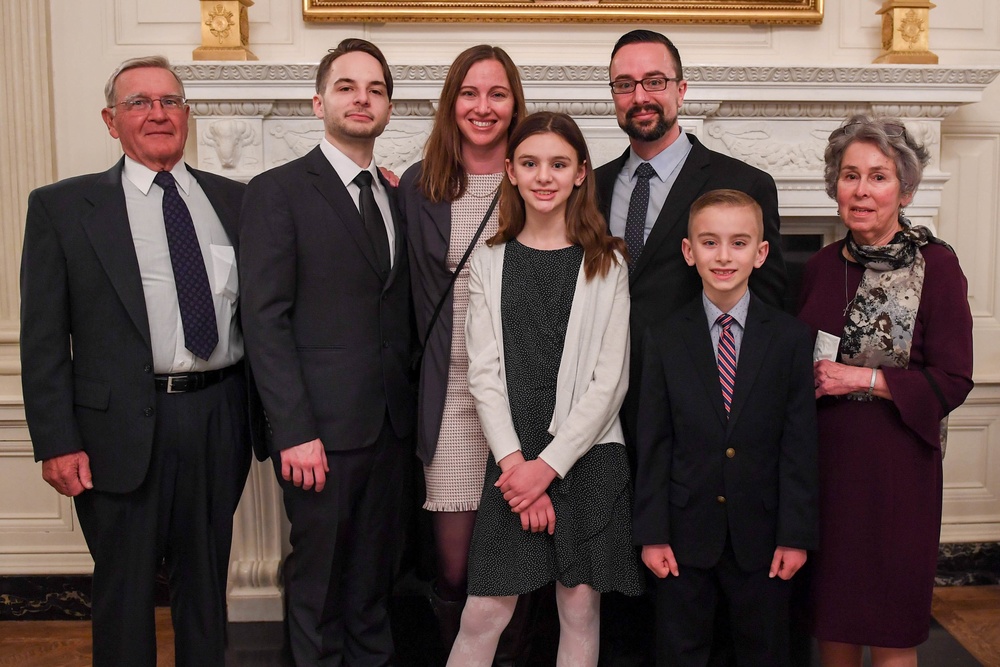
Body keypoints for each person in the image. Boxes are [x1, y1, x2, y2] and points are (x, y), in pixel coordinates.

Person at [20, 56, 255, 666]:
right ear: (110, 120)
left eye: (170, 102)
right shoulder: (63, 209)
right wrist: (55, 441)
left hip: (219, 417)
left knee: (206, 587)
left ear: (187, 114)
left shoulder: (238, 202)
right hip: (115, 428)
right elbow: (43, 339)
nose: (158, 114)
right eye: (139, 103)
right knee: (123, 593)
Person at [594, 29, 789, 664]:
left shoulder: (743, 183)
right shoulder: (587, 189)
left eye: (654, 81)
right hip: (604, 414)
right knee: (622, 584)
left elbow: (773, 304)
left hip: (702, 425)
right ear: (614, 98)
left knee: (702, 600)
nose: (640, 95)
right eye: (625, 84)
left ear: (681, 89)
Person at [239, 39, 415, 665]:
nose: (361, 98)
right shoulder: (277, 191)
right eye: (346, 87)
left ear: (389, 107)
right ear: (319, 102)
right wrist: (293, 430)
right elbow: (264, 320)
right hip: (320, 434)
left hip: (392, 429)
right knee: (318, 584)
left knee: (374, 583)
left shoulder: (398, 195)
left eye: (374, 89)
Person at [447, 111, 643, 666]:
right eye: (530, 164)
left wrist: (548, 467)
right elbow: (482, 371)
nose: (544, 176)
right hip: (513, 459)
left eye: (559, 164)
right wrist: (518, 469)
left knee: (579, 609)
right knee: (483, 613)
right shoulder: (489, 259)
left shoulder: (608, 261)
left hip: (585, 457)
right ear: (510, 171)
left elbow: (610, 382)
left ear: (581, 173)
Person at [798, 115, 974, 667]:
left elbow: (954, 378)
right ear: (835, 186)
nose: (862, 190)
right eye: (850, 176)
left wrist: (866, 379)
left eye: (878, 176)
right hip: (826, 469)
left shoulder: (938, 266)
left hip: (898, 475)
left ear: (906, 187)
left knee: (892, 625)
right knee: (833, 622)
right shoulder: (823, 265)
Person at [632, 189, 819, 666]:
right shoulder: (664, 336)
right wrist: (652, 533)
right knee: (680, 650)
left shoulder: (792, 339)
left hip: (763, 536)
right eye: (709, 242)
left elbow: (799, 446)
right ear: (688, 251)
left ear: (760, 254)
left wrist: (794, 535)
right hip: (683, 533)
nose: (723, 256)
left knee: (764, 650)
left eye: (738, 243)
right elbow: (653, 441)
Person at [399, 44, 530, 658]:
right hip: (449, 393)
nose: (483, 107)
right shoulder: (419, 187)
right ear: (451, 103)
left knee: (520, 560)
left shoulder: (536, 177)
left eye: (497, 94)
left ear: (514, 103)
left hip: (525, 393)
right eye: (470, 94)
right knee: (454, 567)